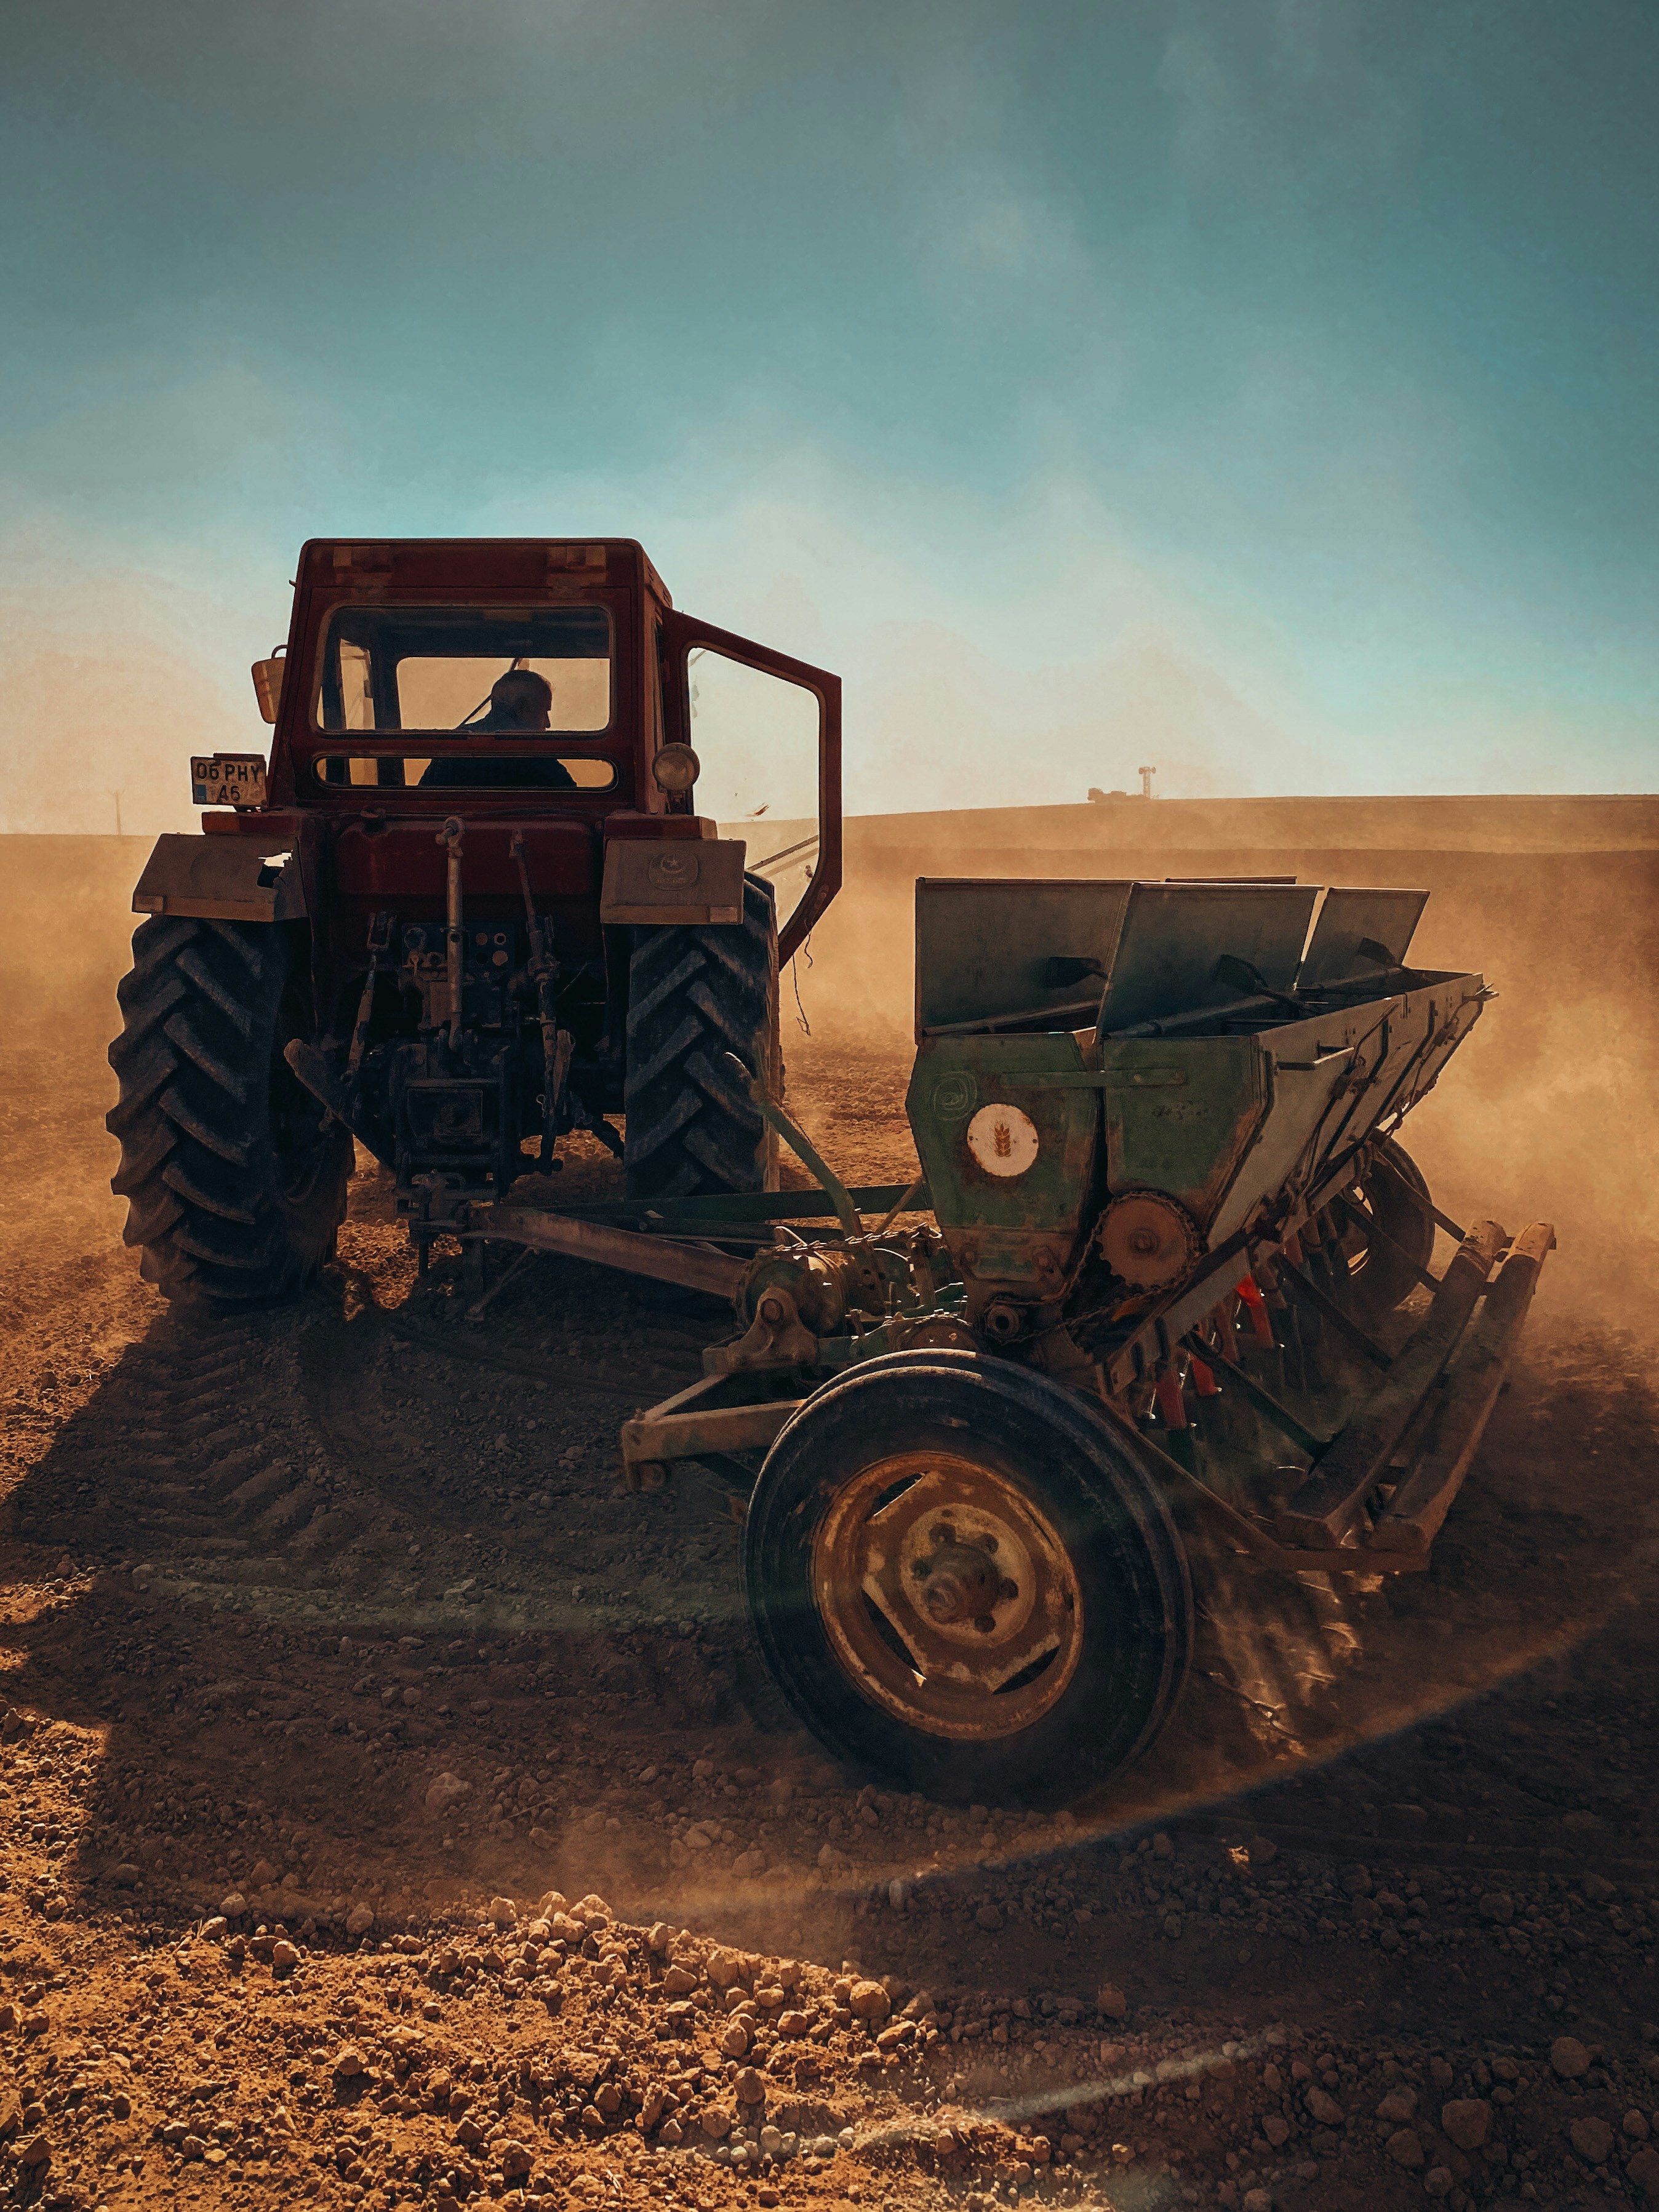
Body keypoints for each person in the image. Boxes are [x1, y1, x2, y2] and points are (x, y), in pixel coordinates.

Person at [420, 669, 577, 788]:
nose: (548, 724)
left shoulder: (454, 746)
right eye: (545, 712)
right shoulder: (535, 757)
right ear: (522, 708)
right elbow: (574, 804)